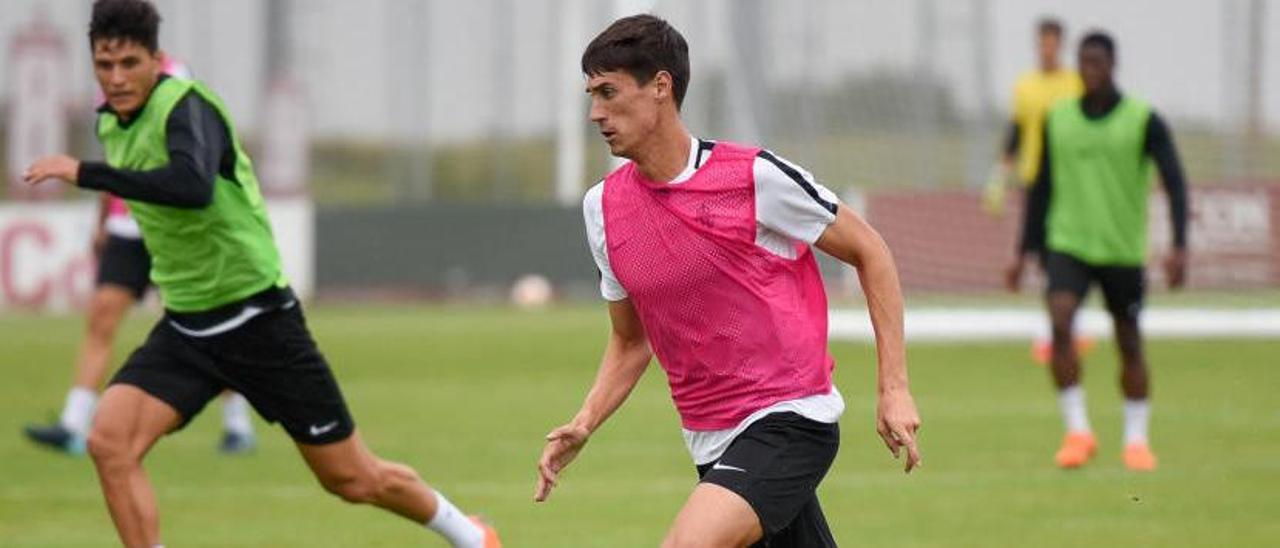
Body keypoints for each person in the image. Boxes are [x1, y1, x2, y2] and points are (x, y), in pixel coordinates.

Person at [22, 2, 499, 546]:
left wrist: (82, 172)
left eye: (129, 63)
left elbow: (192, 186)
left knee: (352, 478)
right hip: (186, 326)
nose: (116, 77)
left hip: (258, 319)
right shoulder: (110, 118)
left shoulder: (187, 107)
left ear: (156, 59)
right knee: (109, 442)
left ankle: (471, 535)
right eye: (103, 65)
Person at [535, 15, 921, 547]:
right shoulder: (602, 209)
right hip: (710, 439)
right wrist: (585, 421)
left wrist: (893, 388)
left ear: (661, 87)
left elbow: (870, 250)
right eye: (591, 95)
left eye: (608, 92)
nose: (595, 113)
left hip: (789, 418)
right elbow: (631, 339)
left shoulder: (753, 178)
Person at [1005, 31, 1189, 472]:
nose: (1090, 71)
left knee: (1129, 341)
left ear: (1112, 66)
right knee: (1061, 322)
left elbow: (1176, 181)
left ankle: (1136, 439)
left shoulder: (1144, 119)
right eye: (1084, 63)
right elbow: (1042, 188)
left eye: (1098, 63)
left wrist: (1180, 245)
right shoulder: (1059, 118)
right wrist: (1024, 251)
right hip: (1068, 243)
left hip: (1122, 249)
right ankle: (1077, 432)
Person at [985, 17, 1088, 364]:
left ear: (1060, 45)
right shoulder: (1026, 86)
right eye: (1042, 43)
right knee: (1045, 259)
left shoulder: (1075, 84)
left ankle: (1070, 330)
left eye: (1052, 43)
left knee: (1071, 254)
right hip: (1035, 182)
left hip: (1072, 182)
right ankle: (1058, 330)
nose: (1046, 49)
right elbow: (1016, 131)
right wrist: (1000, 175)